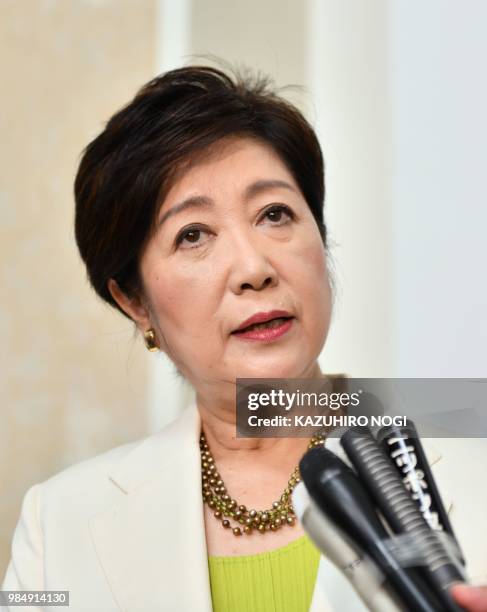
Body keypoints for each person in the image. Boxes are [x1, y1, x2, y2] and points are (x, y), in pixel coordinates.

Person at [2, 64, 487, 611]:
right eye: (193, 235)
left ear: (321, 238)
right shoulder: (59, 525)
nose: (253, 267)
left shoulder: (474, 459)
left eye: (275, 214)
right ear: (134, 301)